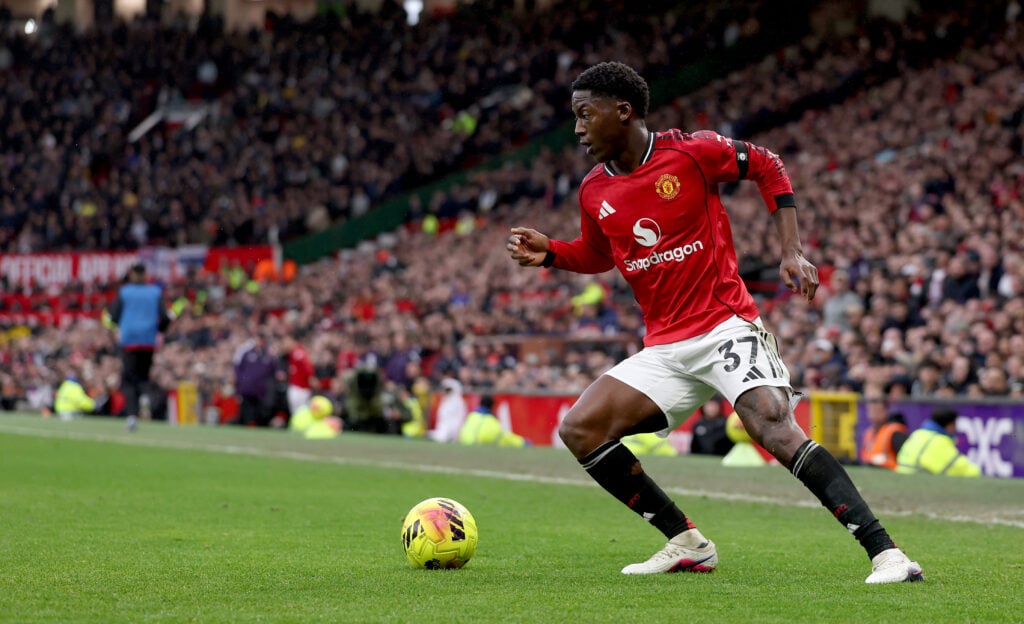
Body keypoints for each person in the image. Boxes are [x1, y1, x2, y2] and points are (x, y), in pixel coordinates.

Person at [506, 62, 922, 583]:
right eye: (575, 117)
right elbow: (598, 253)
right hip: (665, 347)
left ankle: (888, 554)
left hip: (724, 323)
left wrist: (791, 251)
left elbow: (768, 166)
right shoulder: (593, 190)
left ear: (624, 111)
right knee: (580, 429)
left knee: (771, 424)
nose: (578, 128)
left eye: (586, 114)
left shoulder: (691, 153)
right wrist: (552, 254)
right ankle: (687, 542)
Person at [105, 263, 170, 431]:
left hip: (129, 340)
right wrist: (157, 330)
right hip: (148, 340)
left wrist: (125, 326)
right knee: (143, 377)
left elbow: (113, 315)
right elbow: (165, 317)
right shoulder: (155, 292)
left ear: (132, 274)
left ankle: (132, 415)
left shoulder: (125, 292)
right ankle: (145, 400)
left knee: (128, 379)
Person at [896, 408, 981, 477]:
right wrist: (978, 472)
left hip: (903, 479)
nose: (956, 429)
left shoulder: (918, 434)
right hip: (917, 485)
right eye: (955, 425)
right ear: (950, 425)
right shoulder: (939, 441)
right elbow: (960, 469)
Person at [232, 333, 279, 426]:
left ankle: (256, 424)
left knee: (259, 409)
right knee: (246, 408)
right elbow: (237, 367)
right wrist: (240, 381)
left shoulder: (268, 355)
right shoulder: (247, 353)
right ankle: (246, 423)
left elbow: (274, 370)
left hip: (260, 389)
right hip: (247, 387)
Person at [859, 385, 908, 470]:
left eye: (877, 409)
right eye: (871, 408)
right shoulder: (868, 433)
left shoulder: (894, 432)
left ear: (886, 410)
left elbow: (905, 461)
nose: (873, 411)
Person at [458, 395, 527, 447]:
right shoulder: (491, 420)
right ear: (492, 406)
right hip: (480, 448)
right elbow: (505, 437)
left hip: (464, 444)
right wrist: (523, 442)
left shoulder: (471, 416)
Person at [429, 378, 468, 442]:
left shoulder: (458, 401)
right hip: (443, 429)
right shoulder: (445, 401)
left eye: (448, 390)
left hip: (453, 431)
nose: (446, 392)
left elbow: (460, 418)